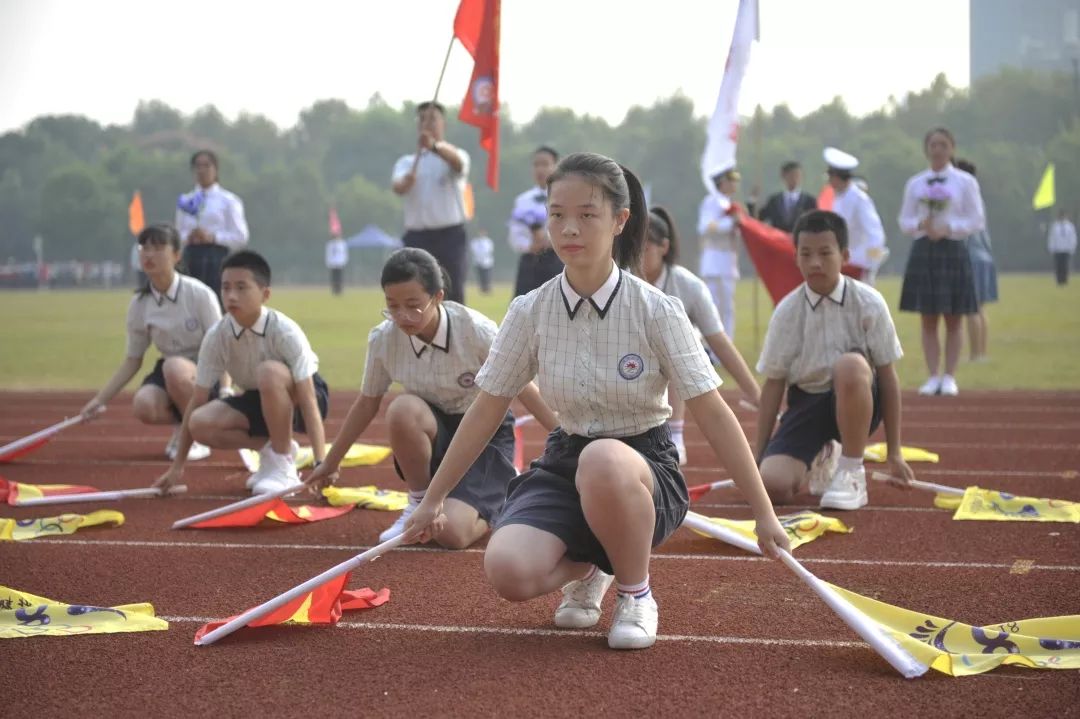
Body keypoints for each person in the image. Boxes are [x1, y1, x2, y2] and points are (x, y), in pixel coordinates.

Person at [401, 152, 790, 650]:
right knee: (507, 571)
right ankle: (596, 563)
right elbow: (487, 406)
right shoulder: (530, 310)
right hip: (566, 460)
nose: (569, 228)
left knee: (604, 458)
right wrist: (431, 500)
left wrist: (764, 513)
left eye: (587, 214)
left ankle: (636, 592)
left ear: (620, 220)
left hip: (643, 466)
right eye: (557, 214)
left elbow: (713, 412)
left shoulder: (658, 310)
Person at [304, 248, 557, 547]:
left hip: (482, 434)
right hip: (433, 431)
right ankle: (419, 501)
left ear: (438, 297)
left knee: (451, 536)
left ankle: (500, 491)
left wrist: (564, 440)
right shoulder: (384, 339)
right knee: (402, 409)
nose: (402, 317)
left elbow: (524, 388)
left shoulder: (477, 332)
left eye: (413, 305)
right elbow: (367, 403)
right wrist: (330, 463)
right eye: (392, 306)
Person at [756, 210, 914, 510]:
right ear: (796, 258)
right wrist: (758, 454)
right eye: (806, 254)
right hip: (807, 404)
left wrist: (895, 452)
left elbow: (888, 377)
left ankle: (851, 470)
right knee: (772, 486)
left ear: (844, 255)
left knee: (850, 366)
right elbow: (774, 384)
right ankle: (823, 454)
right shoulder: (787, 312)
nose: (815, 262)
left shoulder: (869, 303)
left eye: (825, 253)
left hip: (860, 398)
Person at [153, 250, 329, 495]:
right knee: (199, 422)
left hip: (301, 396)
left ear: (265, 294)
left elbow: (309, 399)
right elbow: (197, 400)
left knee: (269, 372)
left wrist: (322, 463)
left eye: (241, 287)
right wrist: (177, 467)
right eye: (225, 288)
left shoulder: (284, 331)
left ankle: (283, 466)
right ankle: (276, 450)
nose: (231, 296)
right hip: (258, 398)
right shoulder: (217, 336)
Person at [80, 224, 220, 461]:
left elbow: (222, 346)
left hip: (206, 373)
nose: (148, 254)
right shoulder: (140, 303)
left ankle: (195, 435)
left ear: (176, 255)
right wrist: (99, 400)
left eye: (157, 247)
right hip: (170, 372)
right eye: (144, 247)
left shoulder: (200, 294)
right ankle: (186, 426)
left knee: (175, 367)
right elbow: (133, 360)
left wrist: (226, 388)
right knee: (144, 405)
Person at [639, 206, 761, 465]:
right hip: (631, 362)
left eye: (645, 248)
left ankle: (675, 434)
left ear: (664, 247)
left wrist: (755, 394)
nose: (638, 255)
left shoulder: (690, 286)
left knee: (674, 340)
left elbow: (719, 341)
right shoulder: (621, 280)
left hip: (675, 362)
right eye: (633, 247)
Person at [898, 128, 985, 397]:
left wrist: (948, 228)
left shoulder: (964, 181)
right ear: (926, 149)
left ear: (952, 148)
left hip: (953, 249)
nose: (937, 149)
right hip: (925, 249)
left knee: (954, 317)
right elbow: (904, 221)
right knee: (928, 318)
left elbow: (977, 219)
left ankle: (949, 376)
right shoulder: (916, 183)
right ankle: (932, 375)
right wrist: (920, 225)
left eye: (943, 144)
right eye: (933, 145)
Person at [391, 101, 471, 305]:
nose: (427, 123)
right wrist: (406, 182)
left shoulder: (456, 154)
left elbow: (458, 165)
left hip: (449, 236)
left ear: (443, 124)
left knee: (452, 291)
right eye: (422, 119)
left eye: (433, 118)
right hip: (418, 237)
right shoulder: (407, 163)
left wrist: (434, 146)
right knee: (415, 291)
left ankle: (456, 335)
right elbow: (398, 186)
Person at [174, 150, 249, 302]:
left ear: (216, 169)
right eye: (197, 166)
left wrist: (212, 237)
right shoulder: (186, 201)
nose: (201, 170)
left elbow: (240, 236)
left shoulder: (228, 200)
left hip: (217, 260)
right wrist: (189, 237)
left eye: (206, 166)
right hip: (191, 259)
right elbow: (177, 235)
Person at [955, 160, 997, 362]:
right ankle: (980, 352)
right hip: (984, 256)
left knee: (971, 308)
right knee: (979, 308)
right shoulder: (977, 199)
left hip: (971, 257)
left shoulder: (964, 200)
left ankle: (975, 355)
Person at [823, 147, 887, 283]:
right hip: (841, 264)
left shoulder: (859, 199)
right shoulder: (838, 198)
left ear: (836, 176)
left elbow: (875, 235)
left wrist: (870, 266)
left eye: (830, 176)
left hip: (858, 265)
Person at [509, 146, 564, 298]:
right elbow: (515, 233)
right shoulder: (522, 200)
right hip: (529, 261)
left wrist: (550, 241)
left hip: (557, 259)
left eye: (545, 164)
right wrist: (529, 246)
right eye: (536, 165)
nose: (540, 169)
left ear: (556, 166)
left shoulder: (566, 197)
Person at [696, 167, 742, 339]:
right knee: (713, 306)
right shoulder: (712, 202)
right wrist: (730, 223)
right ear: (722, 183)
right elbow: (705, 227)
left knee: (727, 307)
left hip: (728, 260)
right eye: (731, 181)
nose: (734, 184)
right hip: (714, 258)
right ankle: (712, 345)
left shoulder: (730, 203)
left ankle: (726, 343)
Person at [757, 161, 818, 232]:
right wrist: (753, 201)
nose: (795, 179)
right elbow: (758, 218)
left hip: (800, 241)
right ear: (783, 176)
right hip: (778, 240)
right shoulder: (774, 201)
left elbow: (815, 225)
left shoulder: (809, 201)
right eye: (792, 175)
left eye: (798, 175)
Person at [1048, 208, 1077, 286]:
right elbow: (1052, 238)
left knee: (1065, 265)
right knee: (1058, 266)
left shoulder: (1070, 226)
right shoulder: (1055, 226)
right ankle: (1059, 281)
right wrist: (1051, 248)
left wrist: (1072, 247)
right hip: (1057, 249)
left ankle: (1065, 280)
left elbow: (1073, 238)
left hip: (1066, 249)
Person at [469, 229, 495, 294]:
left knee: (487, 276)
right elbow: (473, 250)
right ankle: (482, 289)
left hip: (487, 262)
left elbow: (490, 250)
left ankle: (487, 288)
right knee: (480, 276)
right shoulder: (475, 242)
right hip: (478, 261)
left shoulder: (488, 241)